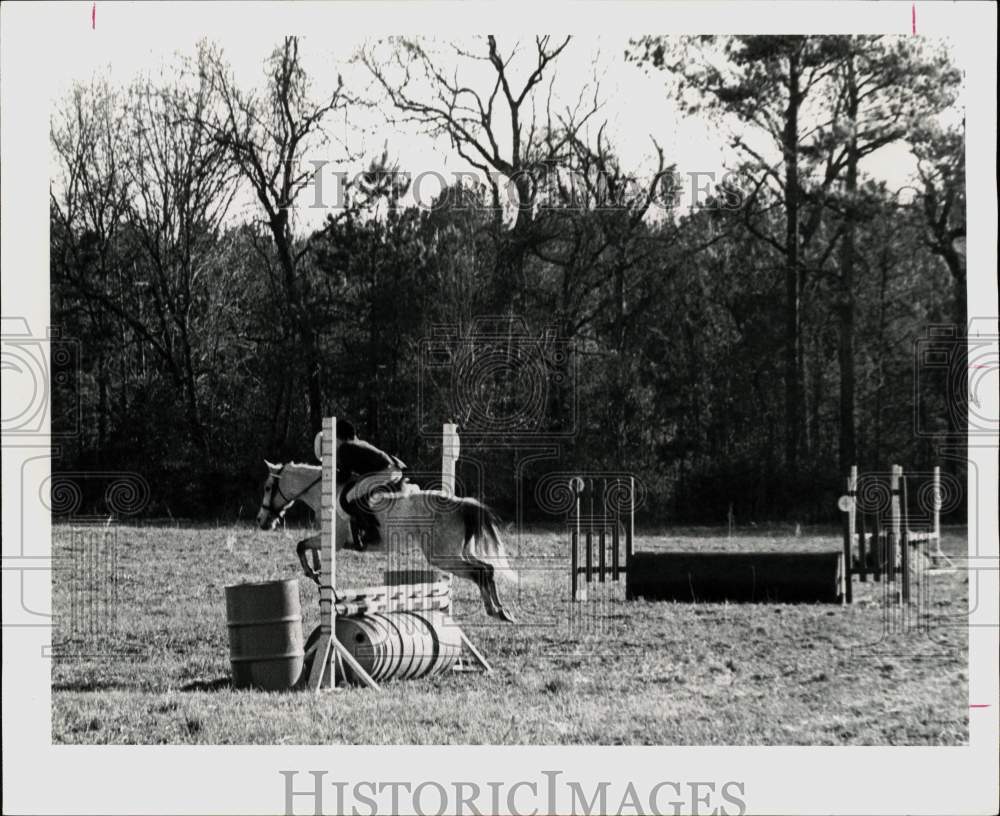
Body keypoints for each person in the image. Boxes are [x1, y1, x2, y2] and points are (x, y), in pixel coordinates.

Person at [335, 419, 406, 548]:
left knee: (351, 497)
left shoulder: (345, 448)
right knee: (357, 491)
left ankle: (372, 532)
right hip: (394, 469)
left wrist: (329, 474)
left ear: (338, 437)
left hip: (386, 472)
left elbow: (344, 477)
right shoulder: (357, 443)